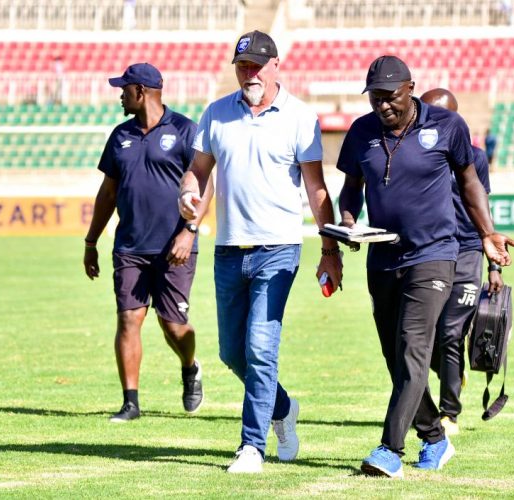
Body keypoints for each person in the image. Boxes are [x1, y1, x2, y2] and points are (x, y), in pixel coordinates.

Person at [336, 55, 514, 479]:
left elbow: (470, 183)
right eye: (375, 98)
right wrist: (347, 222)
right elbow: (350, 189)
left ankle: (389, 450)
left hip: (435, 255)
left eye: (390, 97)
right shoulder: (362, 131)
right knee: (394, 356)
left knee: (412, 347)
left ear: (411, 88)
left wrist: (488, 233)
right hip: (382, 257)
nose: (382, 106)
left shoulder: (447, 127)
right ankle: (435, 438)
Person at [178, 30, 342, 474]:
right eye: (241, 66)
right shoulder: (215, 114)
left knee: (260, 346)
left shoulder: (300, 118)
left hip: (280, 249)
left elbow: (315, 186)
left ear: (274, 66)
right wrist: (188, 195)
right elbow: (197, 172)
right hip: (229, 249)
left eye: (255, 66)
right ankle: (283, 408)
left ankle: (251, 446)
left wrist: (329, 248)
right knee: (232, 352)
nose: (247, 73)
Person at [83, 63, 212, 423]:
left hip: (176, 247)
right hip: (129, 248)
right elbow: (107, 194)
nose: (119, 95)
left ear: (142, 91)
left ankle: (189, 366)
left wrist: (190, 231)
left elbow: (205, 183)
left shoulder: (186, 129)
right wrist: (91, 241)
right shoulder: (119, 135)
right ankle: (130, 402)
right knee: (128, 319)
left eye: (124, 89)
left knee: (173, 325)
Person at [420, 88, 504, 437]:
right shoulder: (417, 153)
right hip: (430, 252)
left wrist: (493, 264)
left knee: (451, 333)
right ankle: (452, 376)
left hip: (468, 251)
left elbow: (481, 207)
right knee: (426, 336)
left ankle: (449, 413)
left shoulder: (475, 157)